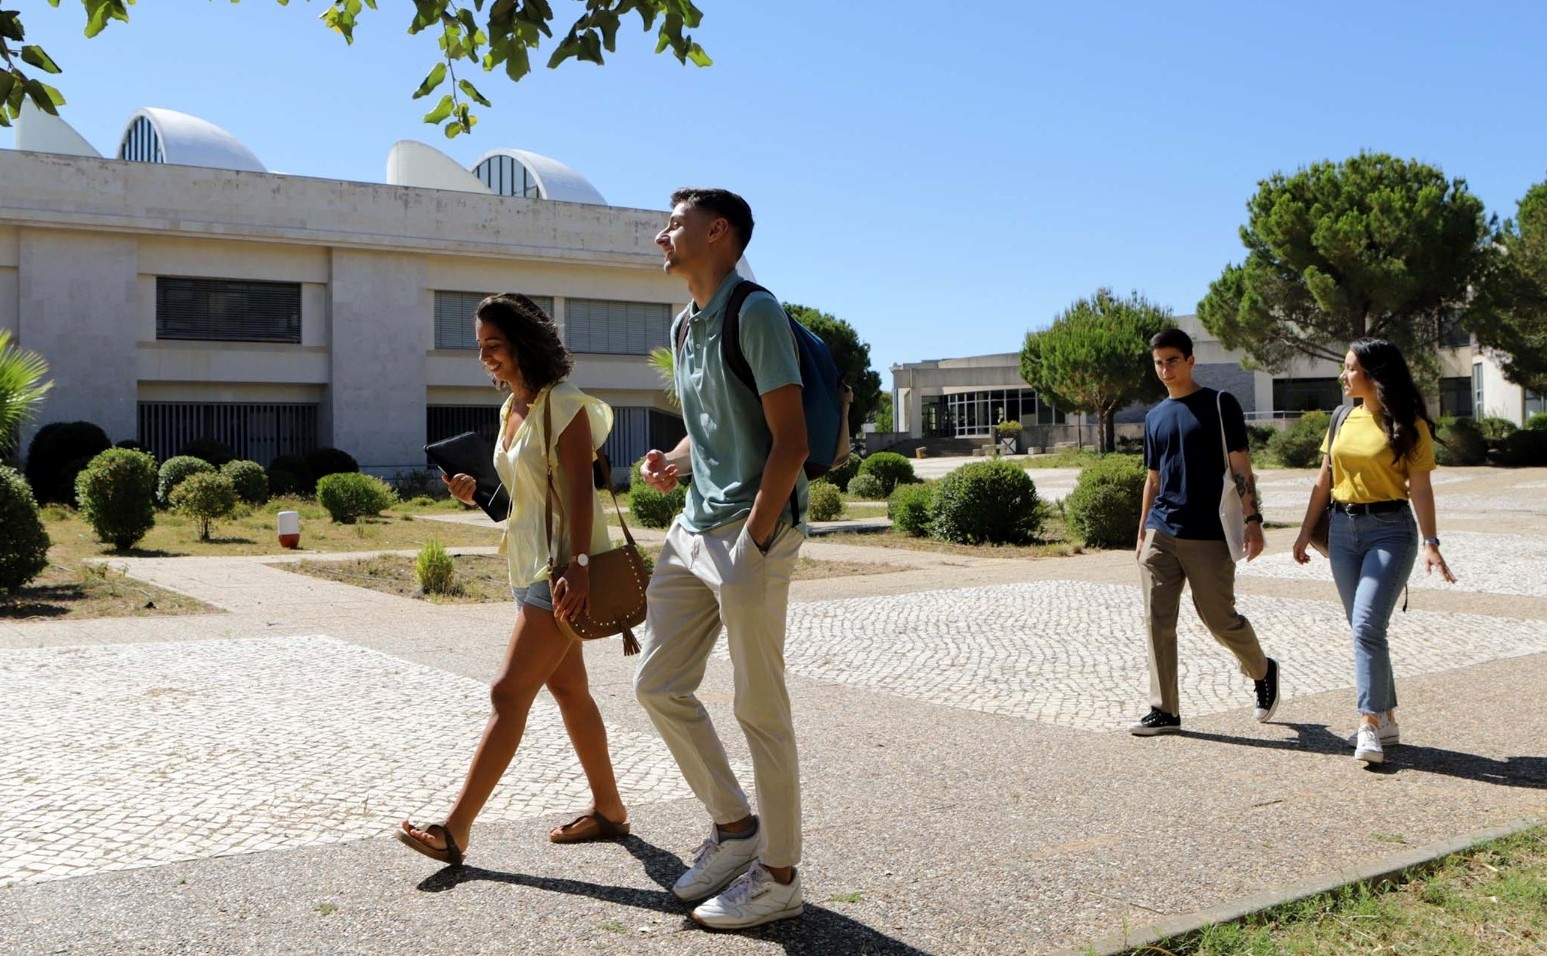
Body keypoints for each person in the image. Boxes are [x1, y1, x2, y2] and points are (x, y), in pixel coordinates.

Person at [397, 293, 629, 865]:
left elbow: (580, 493)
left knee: (507, 692)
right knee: (570, 691)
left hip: (561, 572)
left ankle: (455, 829)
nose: (486, 359)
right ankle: (611, 810)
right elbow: (520, 503)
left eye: (494, 346)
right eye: (480, 348)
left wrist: (576, 568)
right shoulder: (511, 411)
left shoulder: (566, 407)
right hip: (529, 565)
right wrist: (479, 496)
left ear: (524, 343)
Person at [633, 187, 808, 930]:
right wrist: (674, 461)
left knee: (758, 708)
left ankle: (779, 877)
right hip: (692, 524)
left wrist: (755, 538)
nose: (660, 236)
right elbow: (711, 428)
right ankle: (736, 829)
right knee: (657, 684)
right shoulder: (684, 325)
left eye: (673, 224)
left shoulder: (755, 311)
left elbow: (790, 440)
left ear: (718, 232)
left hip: (750, 531)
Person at [1292, 338, 1456, 765]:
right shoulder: (1341, 417)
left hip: (1391, 532)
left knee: (1366, 625)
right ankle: (1387, 719)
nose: (1343, 376)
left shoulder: (1409, 424)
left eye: (1349, 368)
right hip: (1343, 532)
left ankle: (1368, 724)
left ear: (1373, 374)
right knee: (1365, 629)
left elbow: (1420, 487)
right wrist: (1304, 532)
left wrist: (1432, 542)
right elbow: (1323, 481)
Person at [1131, 327, 1280, 736]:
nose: (1165, 369)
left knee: (1219, 619)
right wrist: (1142, 530)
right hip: (1162, 530)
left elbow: (1240, 466)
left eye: (1173, 361)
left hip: (1209, 534)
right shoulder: (1154, 416)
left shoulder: (1219, 404)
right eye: (1159, 363)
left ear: (1190, 361)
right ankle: (1165, 710)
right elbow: (1153, 478)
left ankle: (1262, 670)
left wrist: (1253, 521)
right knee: (1155, 618)